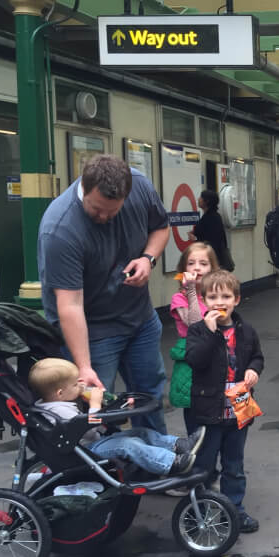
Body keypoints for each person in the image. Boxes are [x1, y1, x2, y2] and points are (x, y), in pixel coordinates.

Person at [38, 154, 171, 433]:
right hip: (93, 329)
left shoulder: (140, 186)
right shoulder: (60, 229)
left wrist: (148, 258)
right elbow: (70, 305)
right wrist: (84, 367)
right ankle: (105, 458)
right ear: (83, 187)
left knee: (150, 397)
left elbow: (160, 227)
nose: (104, 217)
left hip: (139, 318)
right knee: (97, 411)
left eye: (113, 211)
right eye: (96, 208)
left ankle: (155, 454)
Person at [185, 269, 264, 533]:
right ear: (204, 301)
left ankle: (235, 510)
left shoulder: (247, 331)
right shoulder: (197, 331)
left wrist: (253, 369)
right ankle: (200, 511)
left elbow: (257, 356)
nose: (219, 302)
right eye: (212, 297)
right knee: (204, 465)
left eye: (226, 297)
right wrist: (210, 334)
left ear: (236, 300)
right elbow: (196, 361)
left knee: (234, 465)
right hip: (209, 410)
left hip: (239, 408)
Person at [29, 357, 203, 476]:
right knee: (128, 444)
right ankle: (170, 463)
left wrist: (88, 397)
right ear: (60, 393)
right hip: (86, 452)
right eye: (75, 385)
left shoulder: (47, 404)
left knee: (139, 432)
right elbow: (87, 431)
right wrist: (95, 405)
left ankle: (178, 444)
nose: (80, 387)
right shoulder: (60, 411)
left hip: (91, 444)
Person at [169, 242, 219, 435]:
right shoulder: (179, 298)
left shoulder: (215, 296)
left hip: (215, 355)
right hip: (191, 358)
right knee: (194, 409)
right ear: (183, 269)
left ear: (212, 269)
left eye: (203, 264)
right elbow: (195, 325)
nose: (196, 268)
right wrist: (191, 291)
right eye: (191, 263)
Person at [190, 189, 232, 271]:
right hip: (210, 258)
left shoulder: (211, 218)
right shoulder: (212, 216)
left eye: (201, 197)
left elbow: (212, 240)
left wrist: (195, 239)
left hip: (211, 260)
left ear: (207, 201)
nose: (198, 199)